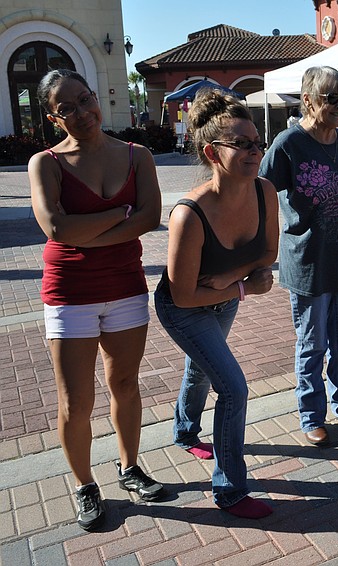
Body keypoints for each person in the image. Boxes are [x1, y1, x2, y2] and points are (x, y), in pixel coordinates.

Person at [28, 69, 165, 531]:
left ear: (96, 97)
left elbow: (150, 217)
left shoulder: (136, 155)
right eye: (66, 107)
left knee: (125, 385)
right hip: (70, 293)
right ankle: (86, 484)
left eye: (84, 99)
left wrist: (95, 230)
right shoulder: (45, 163)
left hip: (126, 287)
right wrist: (119, 214)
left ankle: (129, 467)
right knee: (76, 402)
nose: (82, 112)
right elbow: (57, 229)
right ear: (53, 116)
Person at [154, 90, 278, 519]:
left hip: (223, 299)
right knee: (233, 386)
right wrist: (243, 287)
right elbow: (185, 294)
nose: (255, 151)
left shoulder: (265, 192)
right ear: (212, 152)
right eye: (241, 144)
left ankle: (185, 431)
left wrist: (229, 278)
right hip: (182, 309)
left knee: (201, 369)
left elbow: (268, 253)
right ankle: (229, 490)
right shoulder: (189, 213)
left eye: (257, 142)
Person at [259, 66, 338, 446]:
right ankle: (311, 415)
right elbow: (260, 196)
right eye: (331, 98)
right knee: (312, 344)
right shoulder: (289, 143)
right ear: (308, 100)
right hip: (308, 262)